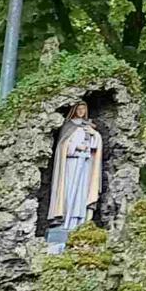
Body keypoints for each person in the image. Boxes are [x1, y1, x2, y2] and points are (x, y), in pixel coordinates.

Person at [46, 103, 102, 249]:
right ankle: (65, 221)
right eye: (79, 109)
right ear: (74, 110)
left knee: (82, 193)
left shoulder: (89, 126)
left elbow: (96, 145)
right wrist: (76, 147)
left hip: (86, 165)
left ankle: (80, 222)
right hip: (71, 165)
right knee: (69, 191)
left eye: (84, 109)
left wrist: (94, 134)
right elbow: (62, 146)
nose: (82, 111)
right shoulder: (68, 126)